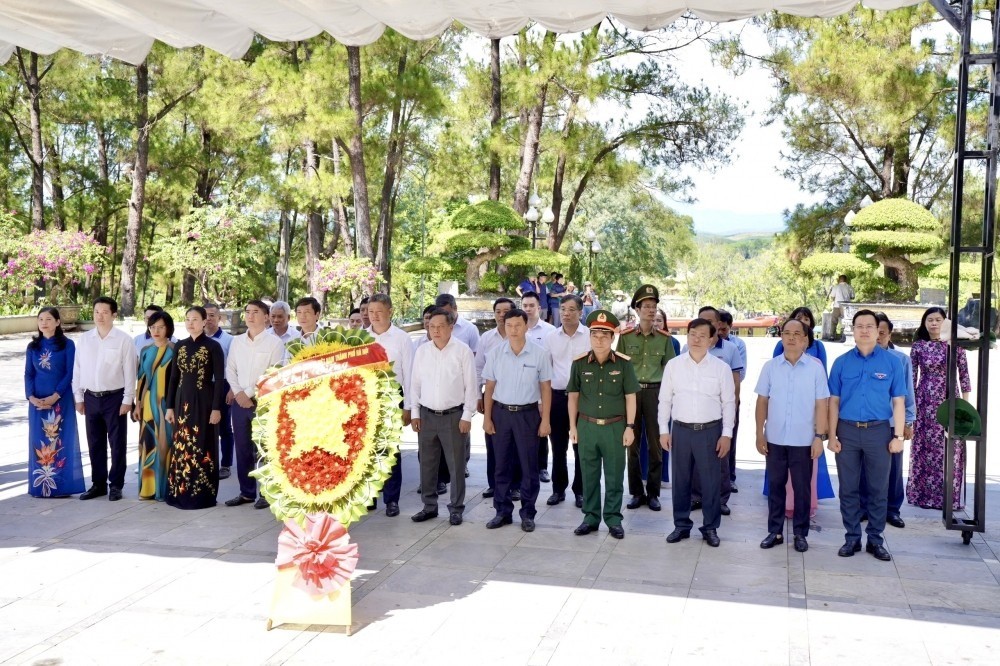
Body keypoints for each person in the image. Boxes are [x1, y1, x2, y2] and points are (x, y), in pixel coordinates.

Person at [828, 309, 907, 562]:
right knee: (848, 488)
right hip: (847, 431)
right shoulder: (841, 362)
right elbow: (833, 402)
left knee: (878, 488)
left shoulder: (892, 362)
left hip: (879, 432)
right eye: (859, 326)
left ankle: (875, 539)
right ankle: (851, 537)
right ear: (852, 329)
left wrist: (898, 436)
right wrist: (831, 435)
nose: (864, 330)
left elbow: (898, 402)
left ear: (877, 330)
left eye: (869, 326)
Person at [755, 317, 830, 553]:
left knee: (802, 489)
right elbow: (762, 401)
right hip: (775, 438)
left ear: (806, 340)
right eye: (787, 333)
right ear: (781, 337)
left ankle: (800, 533)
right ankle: (774, 531)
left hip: (804, 440)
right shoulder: (770, 367)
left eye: (797, 334)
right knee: (776, 486)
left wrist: (819, 436)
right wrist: (760, 433)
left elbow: (822, 405)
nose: (791, 338)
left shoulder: (816, 369)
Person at [659, 318, 736, 548]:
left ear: (712, 340)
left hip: (710, 431)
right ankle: (681, 525)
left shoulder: (721, 368)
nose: (696, 339)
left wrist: (727, 434)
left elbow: (729, 403)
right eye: (692, 334)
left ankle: (710, 527)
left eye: (703, 335)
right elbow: (665, 400)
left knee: (711, 482)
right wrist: (664, 430)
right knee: (680, 480)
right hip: (681, 430)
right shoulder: (674, 365)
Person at [568, 310, 638, 539]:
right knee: (588, 475)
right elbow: (573, 397)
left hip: (615, 427)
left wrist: (630, 427)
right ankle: (590, 518)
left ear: (612, 338)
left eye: (604, 335)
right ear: (589, 336)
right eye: (595, 335)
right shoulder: (579, 363)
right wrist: (573, 427)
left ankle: (613, 519)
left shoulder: (624, 364)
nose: (599, 339)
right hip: (587, 426)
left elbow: (630, 397)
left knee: (615, 475)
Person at [483, 308, 553, 532]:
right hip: (501, 414)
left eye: (518, 325)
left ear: (526, 326)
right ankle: (502, 512)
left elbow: (546, 388)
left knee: (528, 466)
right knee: (501, 465)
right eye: (509, 325)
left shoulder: (539, 353)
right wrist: (487, 418)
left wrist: (545, 420)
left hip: (528, 415)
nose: (513, 330)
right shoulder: (495, 352)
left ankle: (528, 513)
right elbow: (489, 387)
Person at [409, 307, 478, 526]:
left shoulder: (462, 350)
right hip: (427, 416)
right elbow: (415, 384)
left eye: (440, 326)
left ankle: (456, 508)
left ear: (451, 327)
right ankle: (429, 506)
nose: (435, 330)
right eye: (431, 326)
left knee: (456, 465)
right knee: (427, 464)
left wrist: (467, 415)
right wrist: (415, 412)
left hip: (454, 416)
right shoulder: (422, 351)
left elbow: (471, 386)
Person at [766, 306, 835, 518]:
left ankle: (804, 514)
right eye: (798, 319)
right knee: (780, 476)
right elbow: (766, 395)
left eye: (805, 320)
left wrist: (819, 433)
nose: (793, 337)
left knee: (805, 474)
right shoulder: (777, 357)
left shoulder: (816, 355)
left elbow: (822, 391)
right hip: (780, 426)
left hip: (807, 420)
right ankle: (782, 512)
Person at [73, 296, 137, 501]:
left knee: (117, 443)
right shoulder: (84, 339)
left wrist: (128, 399)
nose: (99, 316)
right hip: (90, 397)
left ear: (114, 315)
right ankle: (98, 484)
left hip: (115, 398)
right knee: (94, 443)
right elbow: (78, 369)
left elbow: (130, 372)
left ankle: (116, 484)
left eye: (104, 312)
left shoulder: (123, 340)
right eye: (96, 312)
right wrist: (78, 397)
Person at [616, 284, 675, 512]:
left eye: (653, 306)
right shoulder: (626, 337)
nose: (651, 310)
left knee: (656, 444)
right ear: (637, 310)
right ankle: (636, 492)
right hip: (631, 393)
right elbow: (620, 368)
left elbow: (670, 370)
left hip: (655, 393)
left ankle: (653, 493)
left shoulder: (664, 339)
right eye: (646, 307)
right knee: (631, 443)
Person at [907, 306, 971, 510]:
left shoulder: (956, 345)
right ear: (924, 323)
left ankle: (948, 497)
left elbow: (965, 377)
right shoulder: (918, 346)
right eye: (929, 320)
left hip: (950, 401)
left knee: (949, 449)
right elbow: (911, 378)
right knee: (924, 449)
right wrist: (911, 408)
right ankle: (922, 496)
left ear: (945, 323)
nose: (934, 323)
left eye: (938, 319)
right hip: (924, 402)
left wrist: (965, 407)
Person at [223, 300, 285, 510]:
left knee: (265, 448)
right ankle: (246, 492)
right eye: (247, 312)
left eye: (255, 312)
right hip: (239, 402)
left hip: (264, 401)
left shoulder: (275, 343)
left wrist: (248, 393)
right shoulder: (237, 341)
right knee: (242, 448)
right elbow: (230, 369)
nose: (250, 316)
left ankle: (267, 493)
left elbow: (273, 373)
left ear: (266, 316)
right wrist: (239, 393)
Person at [165, 306, 226, 510]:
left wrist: (216, 408)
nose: (191, 323)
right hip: (182, 402)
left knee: (202, 443)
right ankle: (179, 492)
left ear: (204, 322)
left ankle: (202, 494)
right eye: (188, 319)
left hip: (204, 401)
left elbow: (219, 380)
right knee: (182, 445)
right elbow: (173, 378)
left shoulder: (213, 346)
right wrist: (169, 407)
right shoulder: (179, 346)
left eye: (195, 319)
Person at [684, 306, 740, 516]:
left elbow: (735, 382)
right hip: (693, 413)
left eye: (709, 321)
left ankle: (721, 498)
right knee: (694, 459)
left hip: (720, 412)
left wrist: (732, 410)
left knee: (721, 458)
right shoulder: (686, 348)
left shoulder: (730, 349)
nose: (703, 325)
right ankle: (696, 496)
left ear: (717, 324)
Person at [862, 313, 916, 528]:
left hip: (894, 422)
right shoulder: (860, 357)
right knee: (866, 467)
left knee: (893, 469)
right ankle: (864, 507)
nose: (878, 336)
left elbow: (908, 393)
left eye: (882, 332)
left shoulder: (901, 360)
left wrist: (908, 422)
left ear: (889, 334)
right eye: (876, 331)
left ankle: (892, 510)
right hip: (867, 423)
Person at [25, 307, 85, 497]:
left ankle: (60, 486)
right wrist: (31, 397)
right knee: (39, 442)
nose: (44, 322)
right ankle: (40, 487)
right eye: (40, 319)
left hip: (60, 400)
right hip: (37, 403)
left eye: (49, 319)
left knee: (59, 440)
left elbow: (70, 373)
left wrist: (55, 395)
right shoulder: (32, 347)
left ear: (58, 322)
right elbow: (28, 373)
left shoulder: (68, 345)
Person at [366, 293, 414, 517]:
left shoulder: (402, 339)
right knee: (367, 450)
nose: (374, 316)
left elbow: (410, 374)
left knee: (390, 450)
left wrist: (409, 407)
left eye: (379, 311)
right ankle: (370, 495)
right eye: (370, 311)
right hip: (366, 399)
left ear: (390, 312)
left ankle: (392, 499)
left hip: (393, 396)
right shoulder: (361, 337)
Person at [543, 294, 590, 507]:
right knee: (558, 447)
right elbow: (544, 371)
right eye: (563, 309)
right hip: (558, 398)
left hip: (584, 399)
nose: (566, 313)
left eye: (571, 309)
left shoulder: (590, 336)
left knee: (581, 447)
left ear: (580, 312)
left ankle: (580, 491)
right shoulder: (551, 337)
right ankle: (557, 489)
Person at [475, 298, 519, 500]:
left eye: (505, 311)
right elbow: (477, 368)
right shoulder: (486, 338)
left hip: (518, 397)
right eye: (498, 312)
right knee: (492, 440)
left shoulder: (519, 336)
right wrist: (478, 395)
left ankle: (516, 485)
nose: (501, 315)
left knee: (517, 444)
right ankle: (494, 484)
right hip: (492, 395)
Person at [134, 311, 176, 501]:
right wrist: (137, 404)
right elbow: (141, 379)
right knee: (148, 442)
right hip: (148, 404)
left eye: (160, 327)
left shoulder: (176, 349)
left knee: (166, 443)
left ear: (168, 328)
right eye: (152, 327)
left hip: (168, 405)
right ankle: (148, 489)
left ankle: (165, 489)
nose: (156, 331)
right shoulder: (145, 351)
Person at [519, 291, 556, 482]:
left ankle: (542, 467)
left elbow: (550, 362)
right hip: (521, 389)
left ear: (539, 308)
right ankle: (526, 467)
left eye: (531, 305)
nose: (528, 309)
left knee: (542, 428)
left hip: (541, 387)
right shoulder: (517, 329)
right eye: (524, 305)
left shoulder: (549, 331)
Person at [204, 303, 235, 480]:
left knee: (224, 427)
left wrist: (231, 389)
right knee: (205, 425)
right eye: (206, 315)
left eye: (212, 315)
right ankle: (208, 460)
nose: (209, 319)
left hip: (222, 385)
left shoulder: (228, 340)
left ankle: (226, 464)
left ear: (219, 318)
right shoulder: (196, 339)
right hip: (203, 387)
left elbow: (233, 367)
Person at [717, 311, 747, 492]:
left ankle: (730, 477)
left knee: (730, 437)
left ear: (730, 327)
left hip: (731, 396)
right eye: (717, 327)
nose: (720, 332)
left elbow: (740, 374)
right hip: (709, 400)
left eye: (724, 328)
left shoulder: (737, 345)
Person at [829, 274, 855, 339]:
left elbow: (832, 296)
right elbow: (852, 297)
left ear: (839, 280)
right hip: (846, 307)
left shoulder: (836, 287)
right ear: (846, 280)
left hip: (837, 306)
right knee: (845, 321)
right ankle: (843, 336)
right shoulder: (849, 287)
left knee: (834, 321)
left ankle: (832, 336)